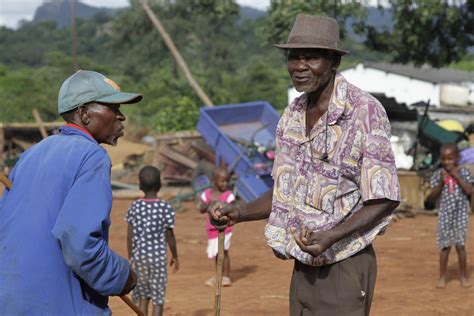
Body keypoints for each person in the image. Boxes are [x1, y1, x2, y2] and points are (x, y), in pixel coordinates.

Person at [208, 14, 400, 316]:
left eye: (311, 58)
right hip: (303, 264)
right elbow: (286, 191)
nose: (299, 67)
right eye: (293, 58)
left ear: (333, 61)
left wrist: (331, 236)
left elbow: (384, 198)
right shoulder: (293, 114)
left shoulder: (365, 112)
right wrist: (239, 212)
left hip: (343, 263)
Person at [0, 70, 141, 314]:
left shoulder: (32, 154)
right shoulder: (92, 156)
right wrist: (121, 276)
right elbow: (80, 244)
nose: (121, 117)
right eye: (113, 108)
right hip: (58, 304)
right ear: (85, 113)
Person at [126, 165, 179, 316]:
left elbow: (129, 235)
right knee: (158, 299)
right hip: (157, 260)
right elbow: (170, 236)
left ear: (140, 186)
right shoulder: (165, 207)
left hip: (140, 259)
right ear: (160, 185)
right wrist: (175, 256)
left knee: (143, 298)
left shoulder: (135, 206)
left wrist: (131, 258)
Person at [425, 143, 472, 288]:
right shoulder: (438, 174)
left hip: (460, 216)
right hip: (445, 216)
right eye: (444, 159)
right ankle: (442, 277)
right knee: (445, 248)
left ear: (457, 158)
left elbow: (469, 190)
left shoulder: (463, 172)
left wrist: (456, 175)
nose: (447, 162)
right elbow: (431, 198)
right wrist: (441, 182)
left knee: (460, 247)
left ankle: (464, 277)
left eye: (450, 159)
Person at [198, 167, 235, 287]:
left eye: (226, 181)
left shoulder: (228, 196)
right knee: (216, 253)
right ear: (214, 181)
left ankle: (226, 276)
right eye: (222, 181)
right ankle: (218, 274)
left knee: (224, 251)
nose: (225, 183)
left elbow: (232, 211)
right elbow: (201, 209)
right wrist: (211, 202)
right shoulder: (207, 194)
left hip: (225, 228)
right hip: (212, 229)